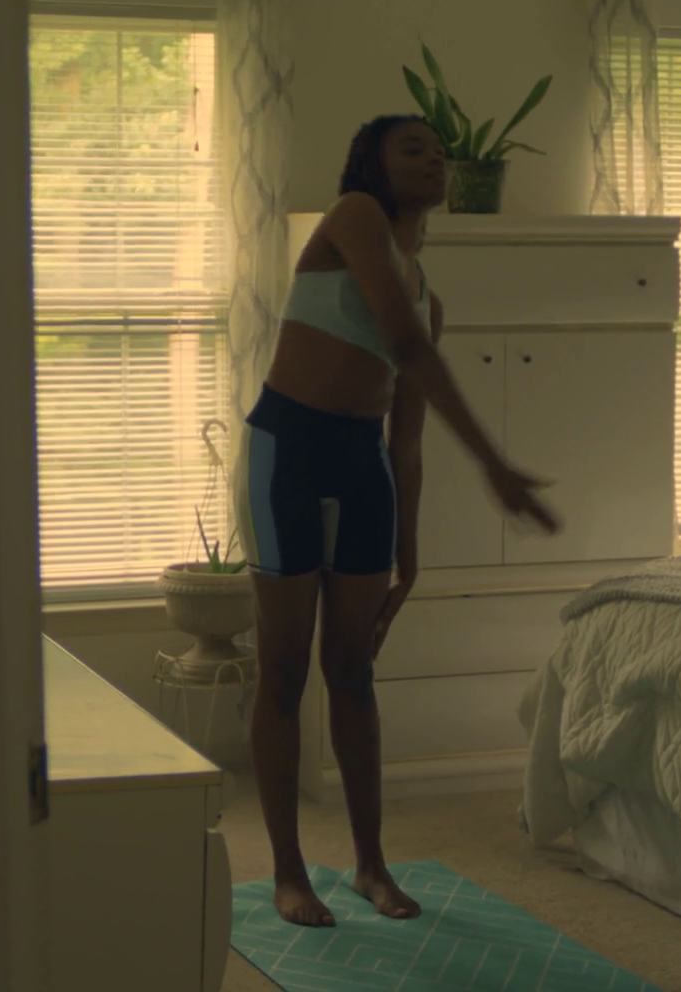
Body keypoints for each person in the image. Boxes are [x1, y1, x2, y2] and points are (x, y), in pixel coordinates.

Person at [235, 114, 561, 927]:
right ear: (371, 164)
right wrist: (494, 463)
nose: (434, 159)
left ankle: (370, 865)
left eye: (439, 150)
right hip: (287, 453)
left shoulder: (429, 298)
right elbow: (406, 348)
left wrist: (408, 553)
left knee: (353, 671)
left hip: (362, 469)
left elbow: (404, 439)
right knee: (284, 670)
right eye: (413, 147)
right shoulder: (352, 217)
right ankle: (288, 871)